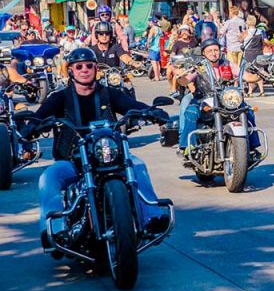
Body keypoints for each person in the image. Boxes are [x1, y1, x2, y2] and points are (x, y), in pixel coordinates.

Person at [25, 48, 169, 251]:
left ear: (95, 69)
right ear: (71, 71)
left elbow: (131, 105)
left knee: (137, 165)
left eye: (89, 66)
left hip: (111, 159)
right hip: (72, 161)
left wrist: (152, 112)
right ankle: (56, 231)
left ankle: (152, 218)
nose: (84, 70)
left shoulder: (108, 94)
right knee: (48, 178)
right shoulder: (60, 98)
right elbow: (40, 116)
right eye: (79, 66)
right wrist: (31, 126)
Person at [241, 15, 266, 97]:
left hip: (249, 53)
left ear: (248, 22)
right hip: (259, 53)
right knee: (260, 72)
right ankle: (262, 91)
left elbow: (240, 40)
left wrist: (239, 35)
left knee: (250, 72)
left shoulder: (246, 32)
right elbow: (263, 42)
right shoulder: (261, 31)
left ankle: (250, 91)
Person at [221, 6, 246, 72]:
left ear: (231, 12)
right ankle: (240, 77)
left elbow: (221, 32)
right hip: (240, 45)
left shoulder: (229, 22)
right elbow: (244, 31)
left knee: (233, 66)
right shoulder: (242, 21)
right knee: (239, 66)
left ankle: (235, 78)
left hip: (231, 46)